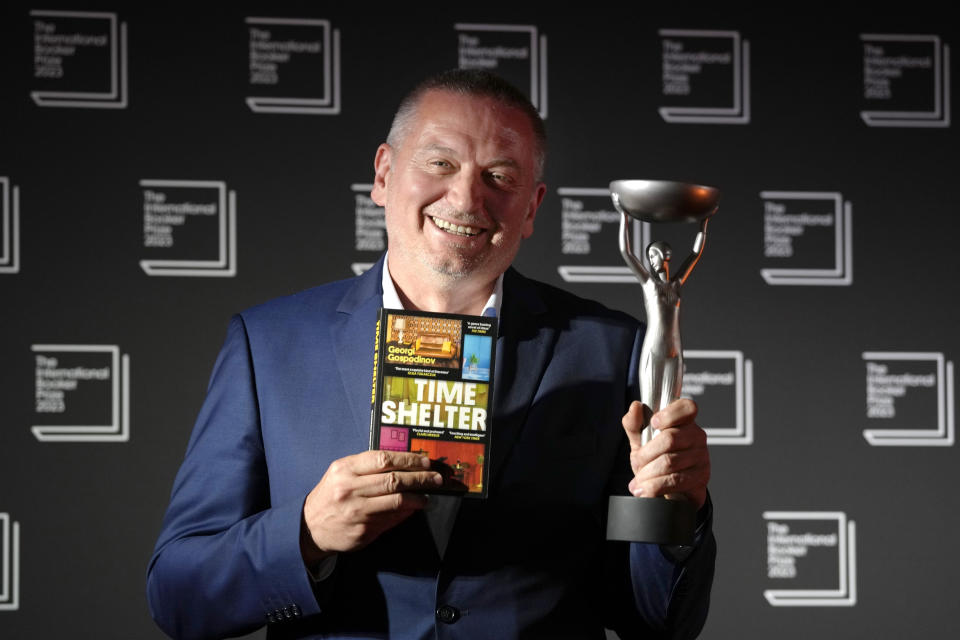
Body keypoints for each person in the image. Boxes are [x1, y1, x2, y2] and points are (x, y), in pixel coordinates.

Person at [147, 69, 715, 640]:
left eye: (499, 175)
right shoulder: (268, 343)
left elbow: (659, 623)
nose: (467, 198)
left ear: (533, 206)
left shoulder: (612, 349)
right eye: (440, 164)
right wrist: (305, 534)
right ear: (383, 174)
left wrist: (673, 513)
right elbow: (178, 597)